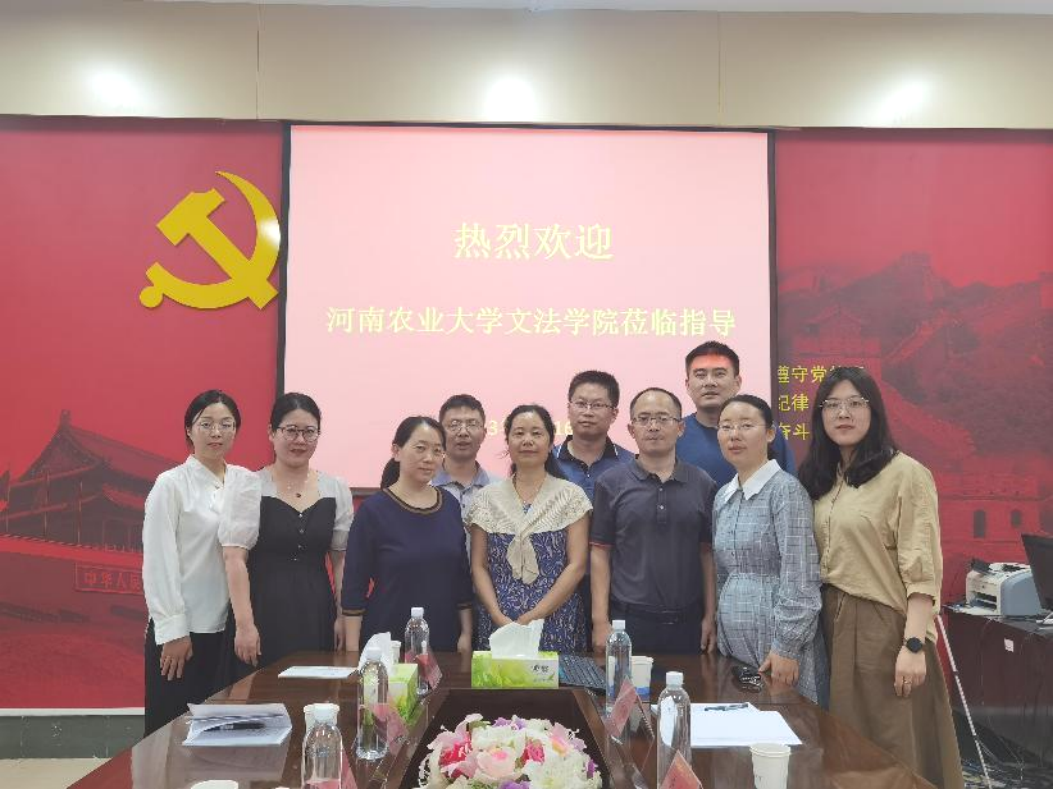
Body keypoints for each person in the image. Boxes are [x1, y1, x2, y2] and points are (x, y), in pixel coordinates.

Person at [798, 366, 963, 788]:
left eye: (855, 403)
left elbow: (923, 568)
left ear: (874, 412)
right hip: (827, 624)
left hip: (882, 628)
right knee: (841, 747)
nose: (843, 413)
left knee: (888, 748)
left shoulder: (906, 473)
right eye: (832, 405)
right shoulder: (822, 477)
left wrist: (913, 645)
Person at [142, 390, 256, 736]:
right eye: (206, 424)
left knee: (222, 735)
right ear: (189, 430)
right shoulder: (171, 485)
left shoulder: (245, 482)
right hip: (185, 633)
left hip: (229, 633)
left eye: (226, 424)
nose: (216, 433)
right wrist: (173, 631)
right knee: (173, 735)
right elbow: (159, 561)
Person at [218, 393, 353, 681]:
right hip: (263, 610)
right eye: (291, 431)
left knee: (314, 694)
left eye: (309, 432)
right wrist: (245, 625)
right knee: (260, 695)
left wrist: (343, 616)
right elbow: (234, 559)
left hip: (316, 611)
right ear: (271, 433)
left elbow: (340, 560)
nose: (300, 440)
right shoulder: (249, 486)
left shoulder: (335, 488)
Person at [712, 394, 828, 705]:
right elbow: (722, 574)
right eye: (726, 426)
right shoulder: (723, 496)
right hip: (733, 645)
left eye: (746, 425)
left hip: (777, 644)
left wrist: (786, 647)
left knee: (788, 722)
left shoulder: (786, 491)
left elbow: (801, 576)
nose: (734, 435)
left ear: (770, 433)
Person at [591, 387, 718, 654]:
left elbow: (707, 554)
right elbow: (600, 554)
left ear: (680, 428)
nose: (653, 426)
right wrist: (600, 621)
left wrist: (710, 615)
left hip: (688, 623)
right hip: (627, 622)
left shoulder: (702, 483)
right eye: (644, 419)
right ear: (631, 429)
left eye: (662, 418)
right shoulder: (610, 483)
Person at [342, 416, 472, 652]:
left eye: (437, 451)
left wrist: (466, 633)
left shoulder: (450, 505)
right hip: (387, 639)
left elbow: (461, 577)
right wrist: (351, 650)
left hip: (444, 637)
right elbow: (354, 585)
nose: (429, 458)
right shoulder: (373, 510)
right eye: (420, 448)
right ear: (396, 451)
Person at [468, 405, 592, 652]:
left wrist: (535, 615)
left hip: (556, 620)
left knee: (557, 678)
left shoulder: (571, 496)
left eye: (536, 433)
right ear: (507, 441)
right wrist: (497, 615)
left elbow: (577, 565)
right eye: (519, 433)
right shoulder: (486, 498)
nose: (527, 440)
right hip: (499, 623)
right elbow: (478, 566)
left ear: (550, 442)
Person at [678, 341, 795, 487]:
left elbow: (789, 487)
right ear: (688, 385)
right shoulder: (675, 434)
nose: (709, 382)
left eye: (719, 374)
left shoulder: (763, 431)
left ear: (737, 382)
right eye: (700, 375)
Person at [432, 393, 502, 549]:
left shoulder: (501, 489)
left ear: (484, 434)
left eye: (472, 424)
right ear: (439, 434)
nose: (463, 432)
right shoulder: (424, 486)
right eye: (454, 424)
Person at [552, 370, 634, 501]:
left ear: (614, 414)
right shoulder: (547, 462)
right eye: (581, 404)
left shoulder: (631, 465)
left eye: (597, 405)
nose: (588, 412)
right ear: (569, 409)